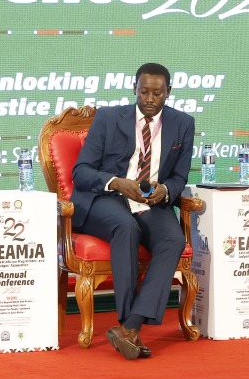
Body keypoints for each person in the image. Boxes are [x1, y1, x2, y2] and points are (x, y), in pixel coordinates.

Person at [70, 62, 194, 361]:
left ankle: (129, 327)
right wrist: (116, 182)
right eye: (143, 92)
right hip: (106, 197)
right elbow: (81, 171)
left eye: (157, 93)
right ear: (134, 89)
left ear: (168, 92)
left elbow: (179, 176)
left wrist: (166, 190)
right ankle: (129, 323)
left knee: (173, 240)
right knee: (125, 226)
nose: (149, 99)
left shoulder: (183, 123)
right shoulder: (109, 118)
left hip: (150, 201)